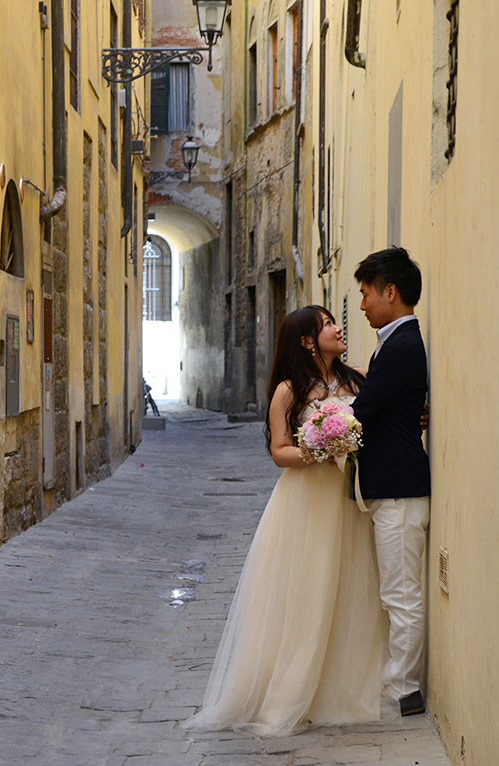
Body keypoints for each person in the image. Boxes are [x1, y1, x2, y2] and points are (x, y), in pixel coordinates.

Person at [183, 307, 388, 735]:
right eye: (328, 324)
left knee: (350, 587)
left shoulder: (356, 381)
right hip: (306, 500)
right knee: (308, 588)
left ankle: (343, 688)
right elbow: (279, 451)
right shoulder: (287, 392)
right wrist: (318, 449)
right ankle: (294, 688)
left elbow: (379, 424)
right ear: (308, 341)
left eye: (335, 321)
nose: (338, 327)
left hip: (347, 499)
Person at [351, 248, 432, 716]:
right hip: (392, 486)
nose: (361, 305)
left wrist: (328, 421)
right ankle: (400, 682)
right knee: (394, 594)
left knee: (401, 596)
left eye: (365, 294)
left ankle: (403, 688)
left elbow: (365, 412)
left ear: (390, 291)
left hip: (400, 491)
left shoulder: (401, 345)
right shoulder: (394, 342)